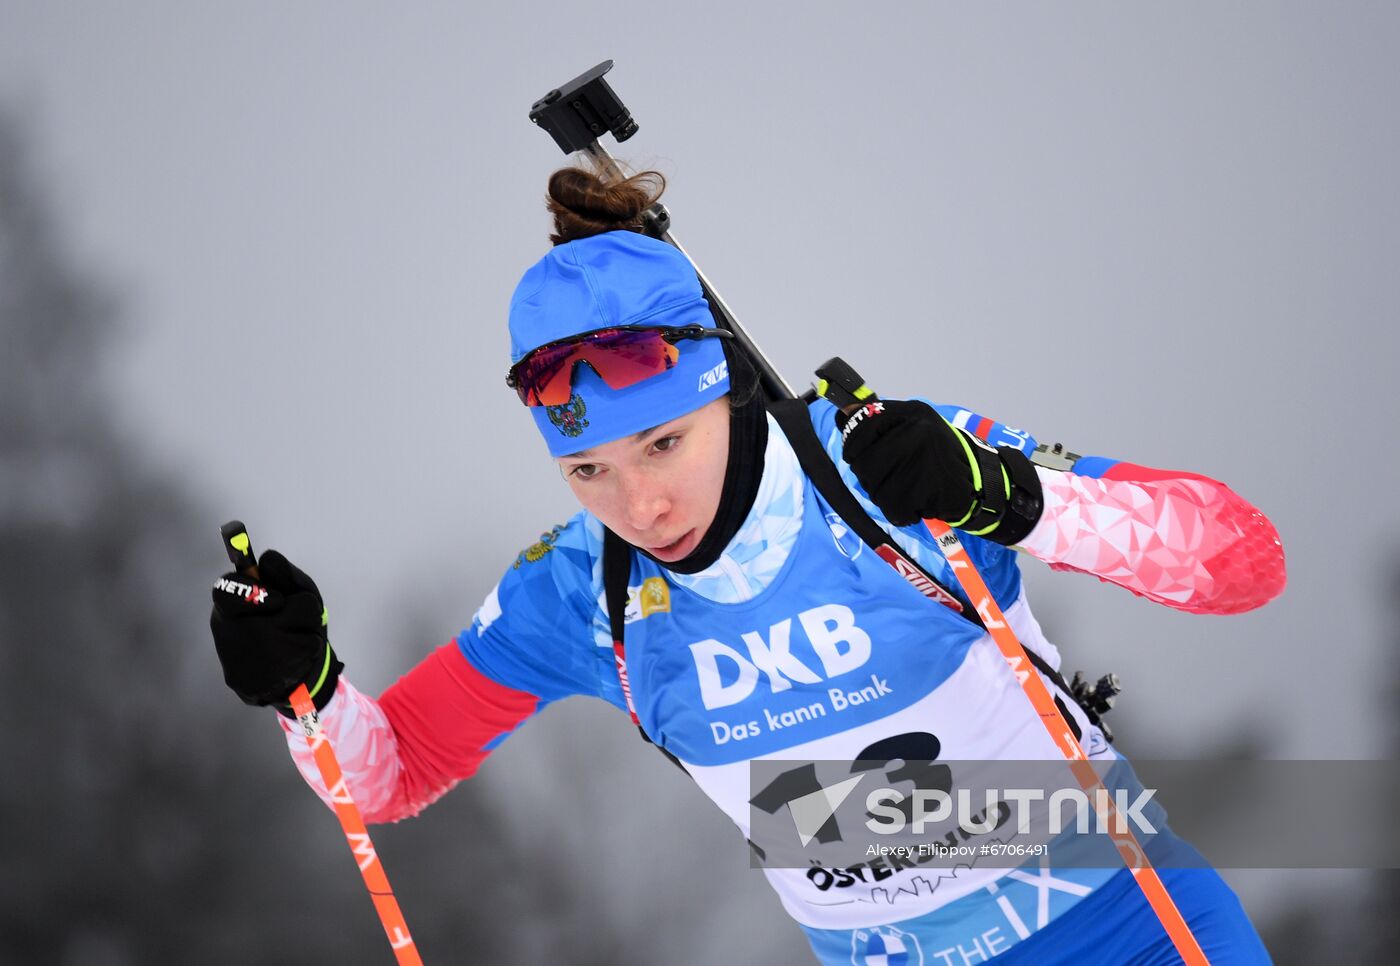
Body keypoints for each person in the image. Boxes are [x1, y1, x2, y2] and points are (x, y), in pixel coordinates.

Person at [211, 166, 1285, 964]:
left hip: (1125, 933)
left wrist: (1005, 494)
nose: (639, 505)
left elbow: (1239, 559)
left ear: (721, 389)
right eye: (586, 470)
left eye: (662, 445)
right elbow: (387, 772)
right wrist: (301, 685)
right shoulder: (586, 594)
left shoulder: (883, 471)